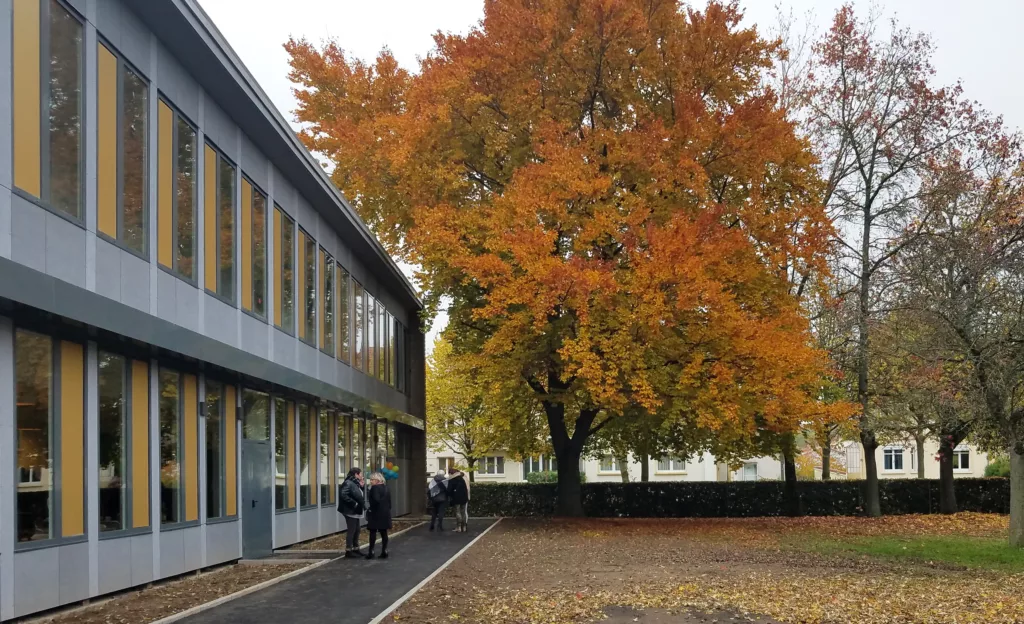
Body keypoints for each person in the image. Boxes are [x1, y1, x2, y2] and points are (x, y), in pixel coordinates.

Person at [338, 467, 365, 558]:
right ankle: (348, 551)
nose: (362, 476)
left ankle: (355, 548)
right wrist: (354, 504)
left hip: (354, 510)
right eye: (360, 474)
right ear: (356, 474)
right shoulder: (348, 482)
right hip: (350, 510)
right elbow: (343, 494)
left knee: (357, 529)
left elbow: (357, 494)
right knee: (352, 530)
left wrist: (362, 486)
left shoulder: (355, 483)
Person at [365, 472, 392, 559]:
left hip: (376, 513)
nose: (370, 481)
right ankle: (384, 550)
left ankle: (371, 551)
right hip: (385, 513)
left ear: (377, 480)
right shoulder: (386, 488)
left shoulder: (374, 488)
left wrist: (371, 508)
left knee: (373, 532)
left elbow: (376, 500)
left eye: (372, 480)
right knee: (384, 533)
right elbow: (389, 502)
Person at [446, 467, 470, 533]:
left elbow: (449, 490)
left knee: (457, 512)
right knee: (463, 512)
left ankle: (459, 527)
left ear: (451, 473)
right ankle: (464, 527)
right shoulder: (462, 479)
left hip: (456, 498)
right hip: (464, 498)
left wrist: (449, 496)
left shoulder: (451, 480)